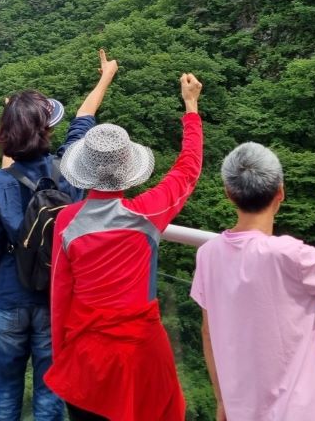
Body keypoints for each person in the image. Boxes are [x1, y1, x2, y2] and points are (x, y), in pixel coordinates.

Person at [0, 48, 119, 421]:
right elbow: (83, 120)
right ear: (47, 130)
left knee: (5, 391)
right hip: (56, 296)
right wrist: (105, 77)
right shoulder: (71, 170)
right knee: (50, 393)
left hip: (7, 296)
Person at [45, 72, 204, 421]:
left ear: (84, 169)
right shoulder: (148, 213)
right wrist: (191, 108)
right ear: (128, 168)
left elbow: (60, 295)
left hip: (85, 355)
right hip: (141, 352)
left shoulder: (67, 221)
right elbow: (188, 170)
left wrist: (62, 356)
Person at [191, 141, 315, 421]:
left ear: (229, 193)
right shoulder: (287, 254)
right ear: (280, 192)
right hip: (301, 410)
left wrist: (222, 400)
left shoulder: (208, 253)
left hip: (242, 408)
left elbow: (208, 332)